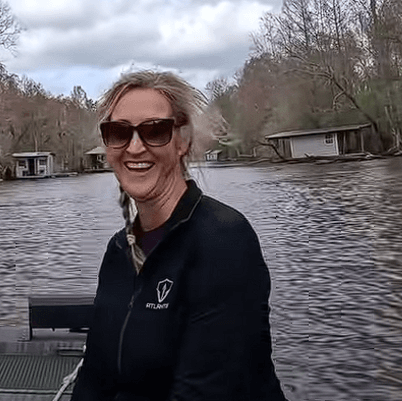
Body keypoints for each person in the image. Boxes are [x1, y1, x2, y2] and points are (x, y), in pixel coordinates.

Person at [70, 70, 286, 401]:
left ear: (182, 141)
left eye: (155, 131)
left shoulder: (223, 239)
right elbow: (94, 378)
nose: (135, 147)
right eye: (119, 132)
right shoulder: (119, 252)